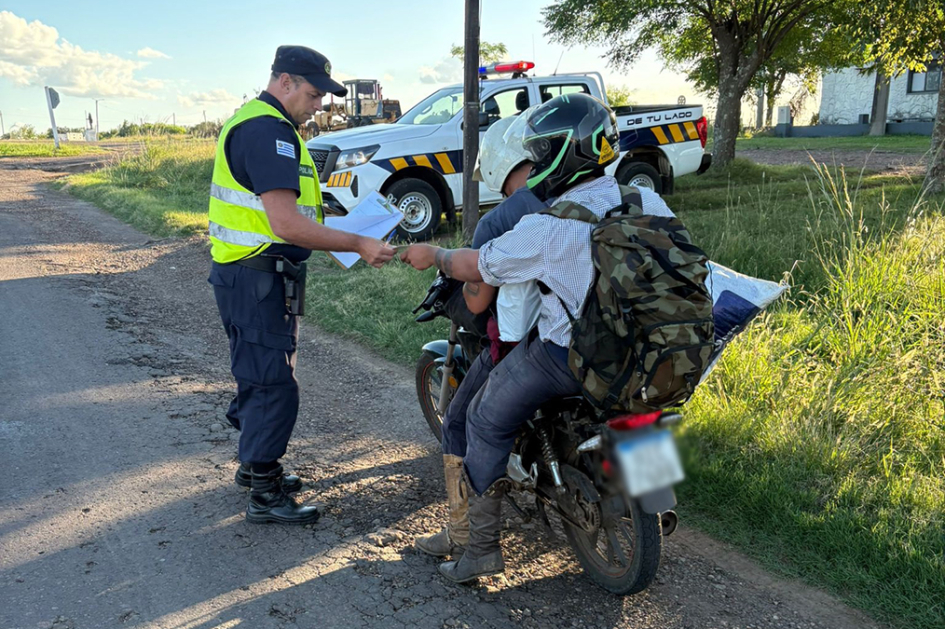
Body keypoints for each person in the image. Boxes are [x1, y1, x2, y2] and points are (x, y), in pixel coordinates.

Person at [401, 93, 677, 582]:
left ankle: (481, 549)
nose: (536, 166)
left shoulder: (547, 225)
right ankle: (657, 494)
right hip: (646, 347)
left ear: (559, 156)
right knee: (640, 411)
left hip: (569, 355)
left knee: (484, 420)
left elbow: (478, 268)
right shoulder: (645, 198)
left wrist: (436, 256)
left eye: (541, 154)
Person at [208, 45, 395, 525]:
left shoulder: (266, 124)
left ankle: (255, 470)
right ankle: (265, 493)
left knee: (259, 373)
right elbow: (287, 224)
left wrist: (346, 224)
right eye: (313, 95)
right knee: (272, 383)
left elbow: (296, 213)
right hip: (257, 277)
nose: (319, 106)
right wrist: (356, 241)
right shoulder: (267, 130)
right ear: (285, 81)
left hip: (253, 277)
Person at [414, 113, 546, 558]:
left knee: (459, 421)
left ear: (495, 165)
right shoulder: (590, 197)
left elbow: (475, 302)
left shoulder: (501, 220)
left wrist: (444, 260)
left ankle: (465, 537)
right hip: (600, 339)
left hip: (527, 346)